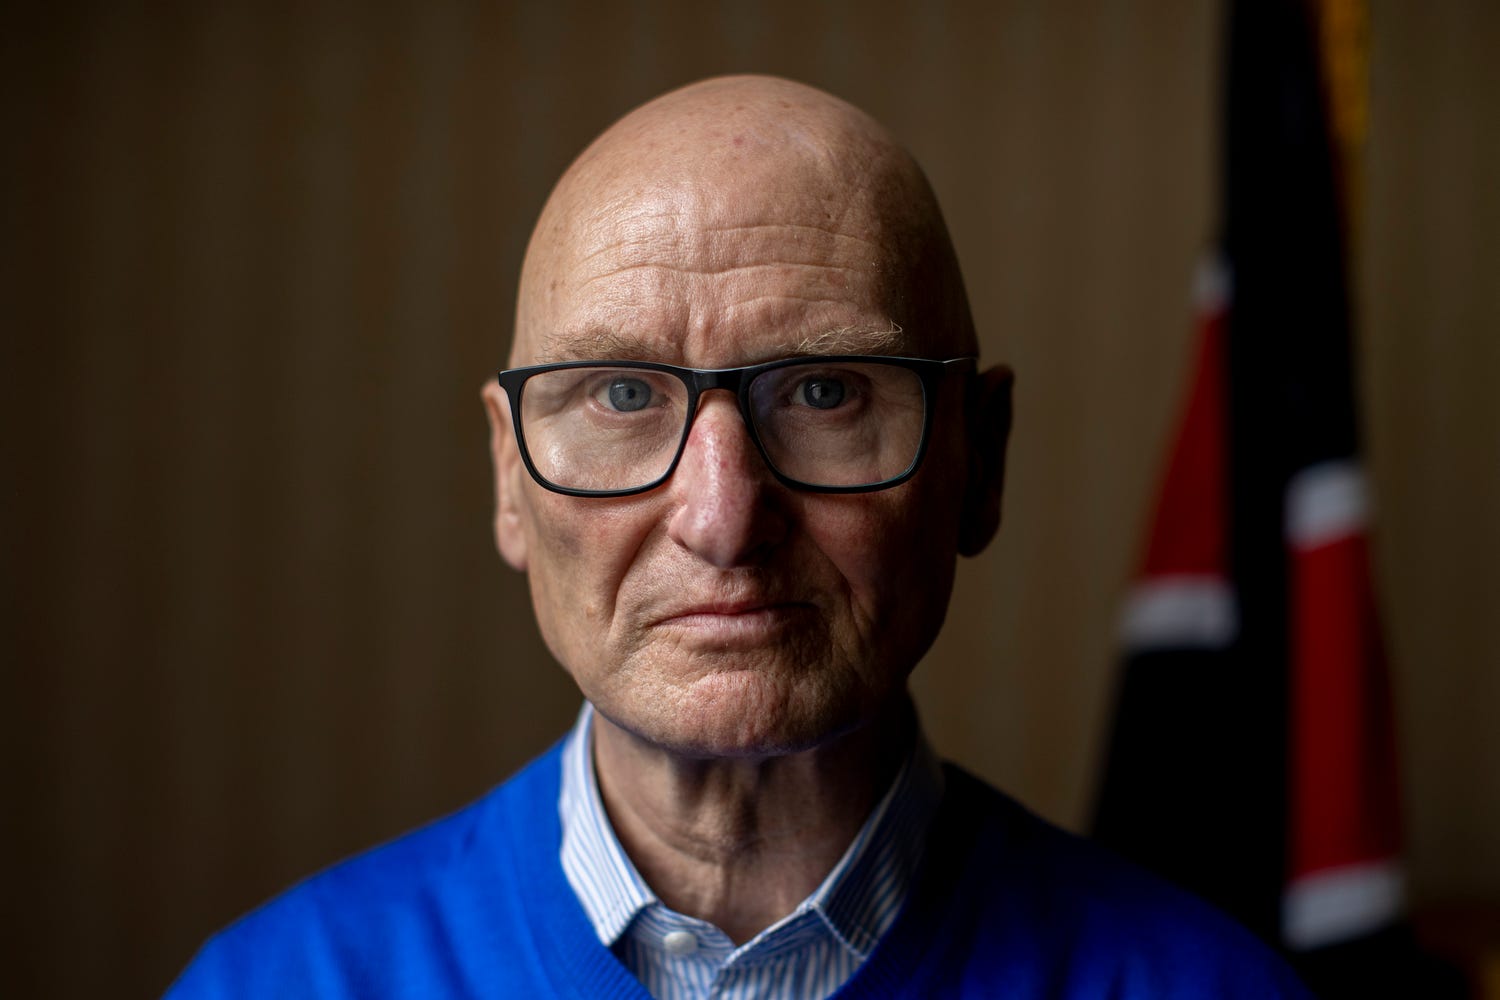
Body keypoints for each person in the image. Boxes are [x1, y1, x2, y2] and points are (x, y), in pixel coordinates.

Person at [170, 75, 1310, 998]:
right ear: (509, 480)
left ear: (981, 460)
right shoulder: (274, 985)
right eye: (621, 397)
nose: (723, 522)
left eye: (823, 393)